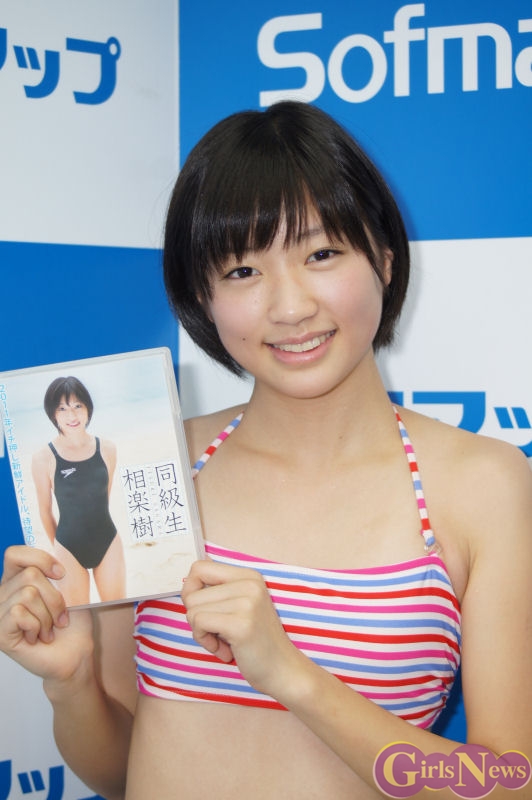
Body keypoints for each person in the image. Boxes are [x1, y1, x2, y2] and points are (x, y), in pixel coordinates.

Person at [1, 101, 531, 800]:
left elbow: (506, 782)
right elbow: (119, 772)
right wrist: (71, 685)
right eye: (243, 271)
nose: (289, 307)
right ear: (203, 296)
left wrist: (289, 674)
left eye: (321, 254)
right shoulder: (160, 462)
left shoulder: (484, 484)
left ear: (384, 257)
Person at [31, 376, 125, 606]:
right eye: (62, 408)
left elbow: (103, 497)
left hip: (107, 540)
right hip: (68, 546)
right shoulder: (43, 457)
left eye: (77, 406)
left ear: (88, 408)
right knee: (79, 616)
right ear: (53, 414)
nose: (71, 416)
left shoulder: (108, 448)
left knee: (118, 610)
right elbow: (45, 511)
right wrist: (60, 548)